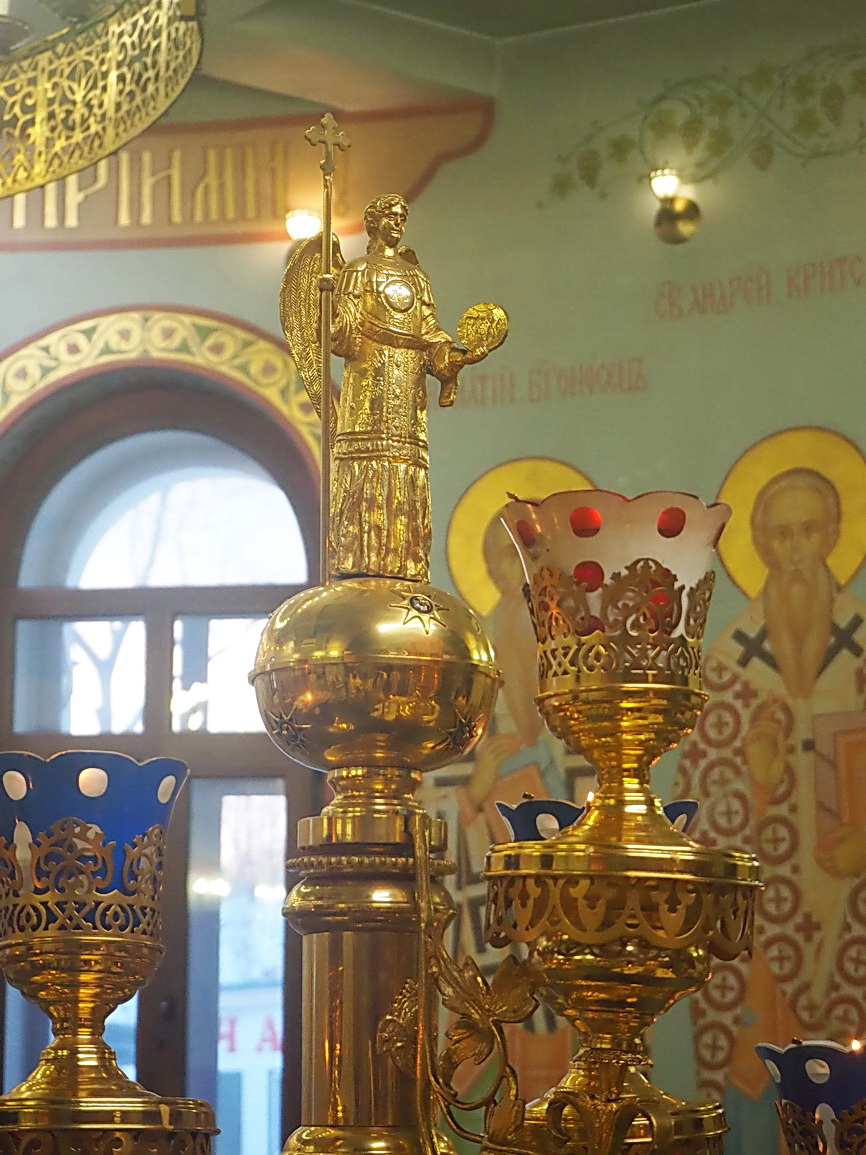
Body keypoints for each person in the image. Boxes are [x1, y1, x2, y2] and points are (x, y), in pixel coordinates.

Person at [674, 466, 866, 1154]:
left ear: (835, 535)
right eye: (780, 535)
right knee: (765, 1083)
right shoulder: (728, 666)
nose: (795, 552)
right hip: (766, 925)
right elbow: (696, 818)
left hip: (855, 920)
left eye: (808, 531)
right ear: (758, 545)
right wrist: (756, 786)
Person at [329, 194, 481, 582]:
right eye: (390, 216)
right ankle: (357, 556)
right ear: (373, 223)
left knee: (406, 464)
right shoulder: (358, 270)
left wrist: (454, 357)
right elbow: (342, 335)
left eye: (402, 217)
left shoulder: (416, 277)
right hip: (369, 382)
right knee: (367, 461)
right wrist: (329, 305)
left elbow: (430, 333)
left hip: (408, 385)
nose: (397, 223)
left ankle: (405, 561)